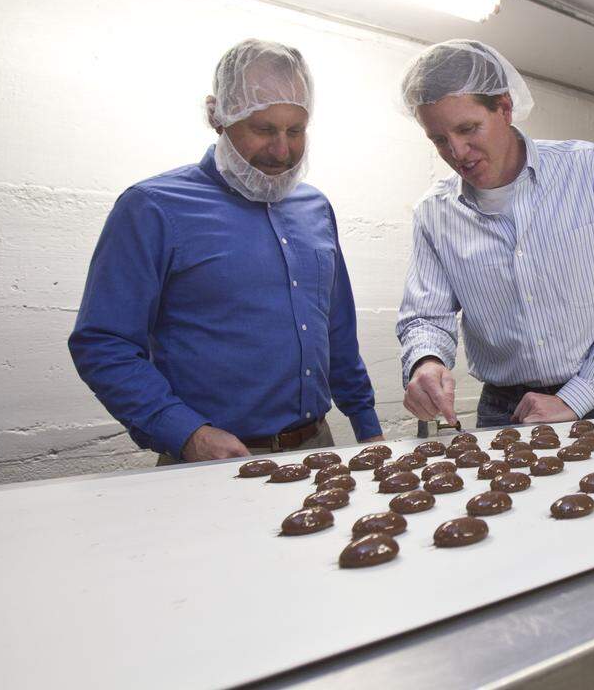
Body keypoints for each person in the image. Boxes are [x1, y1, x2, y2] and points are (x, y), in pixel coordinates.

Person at [69, 39, 382, 463]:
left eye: (295, 130)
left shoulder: (315, 208)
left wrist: (368, 428)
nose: (282, 150)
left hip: (315, 449)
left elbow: (337, 331)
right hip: (210, 459)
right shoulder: (152, 207)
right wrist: (186, 433)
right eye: (264, 129)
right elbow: (102, 342)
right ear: (218, 117)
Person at [396, 40, 594, 428]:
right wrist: (426, 360)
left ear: (504, 108)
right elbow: (426, 316)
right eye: (438, 139)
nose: (457, 151)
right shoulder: (433, 213)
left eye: (468, 128)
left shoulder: (587, 169)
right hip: (503, 409)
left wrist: (575, 398)